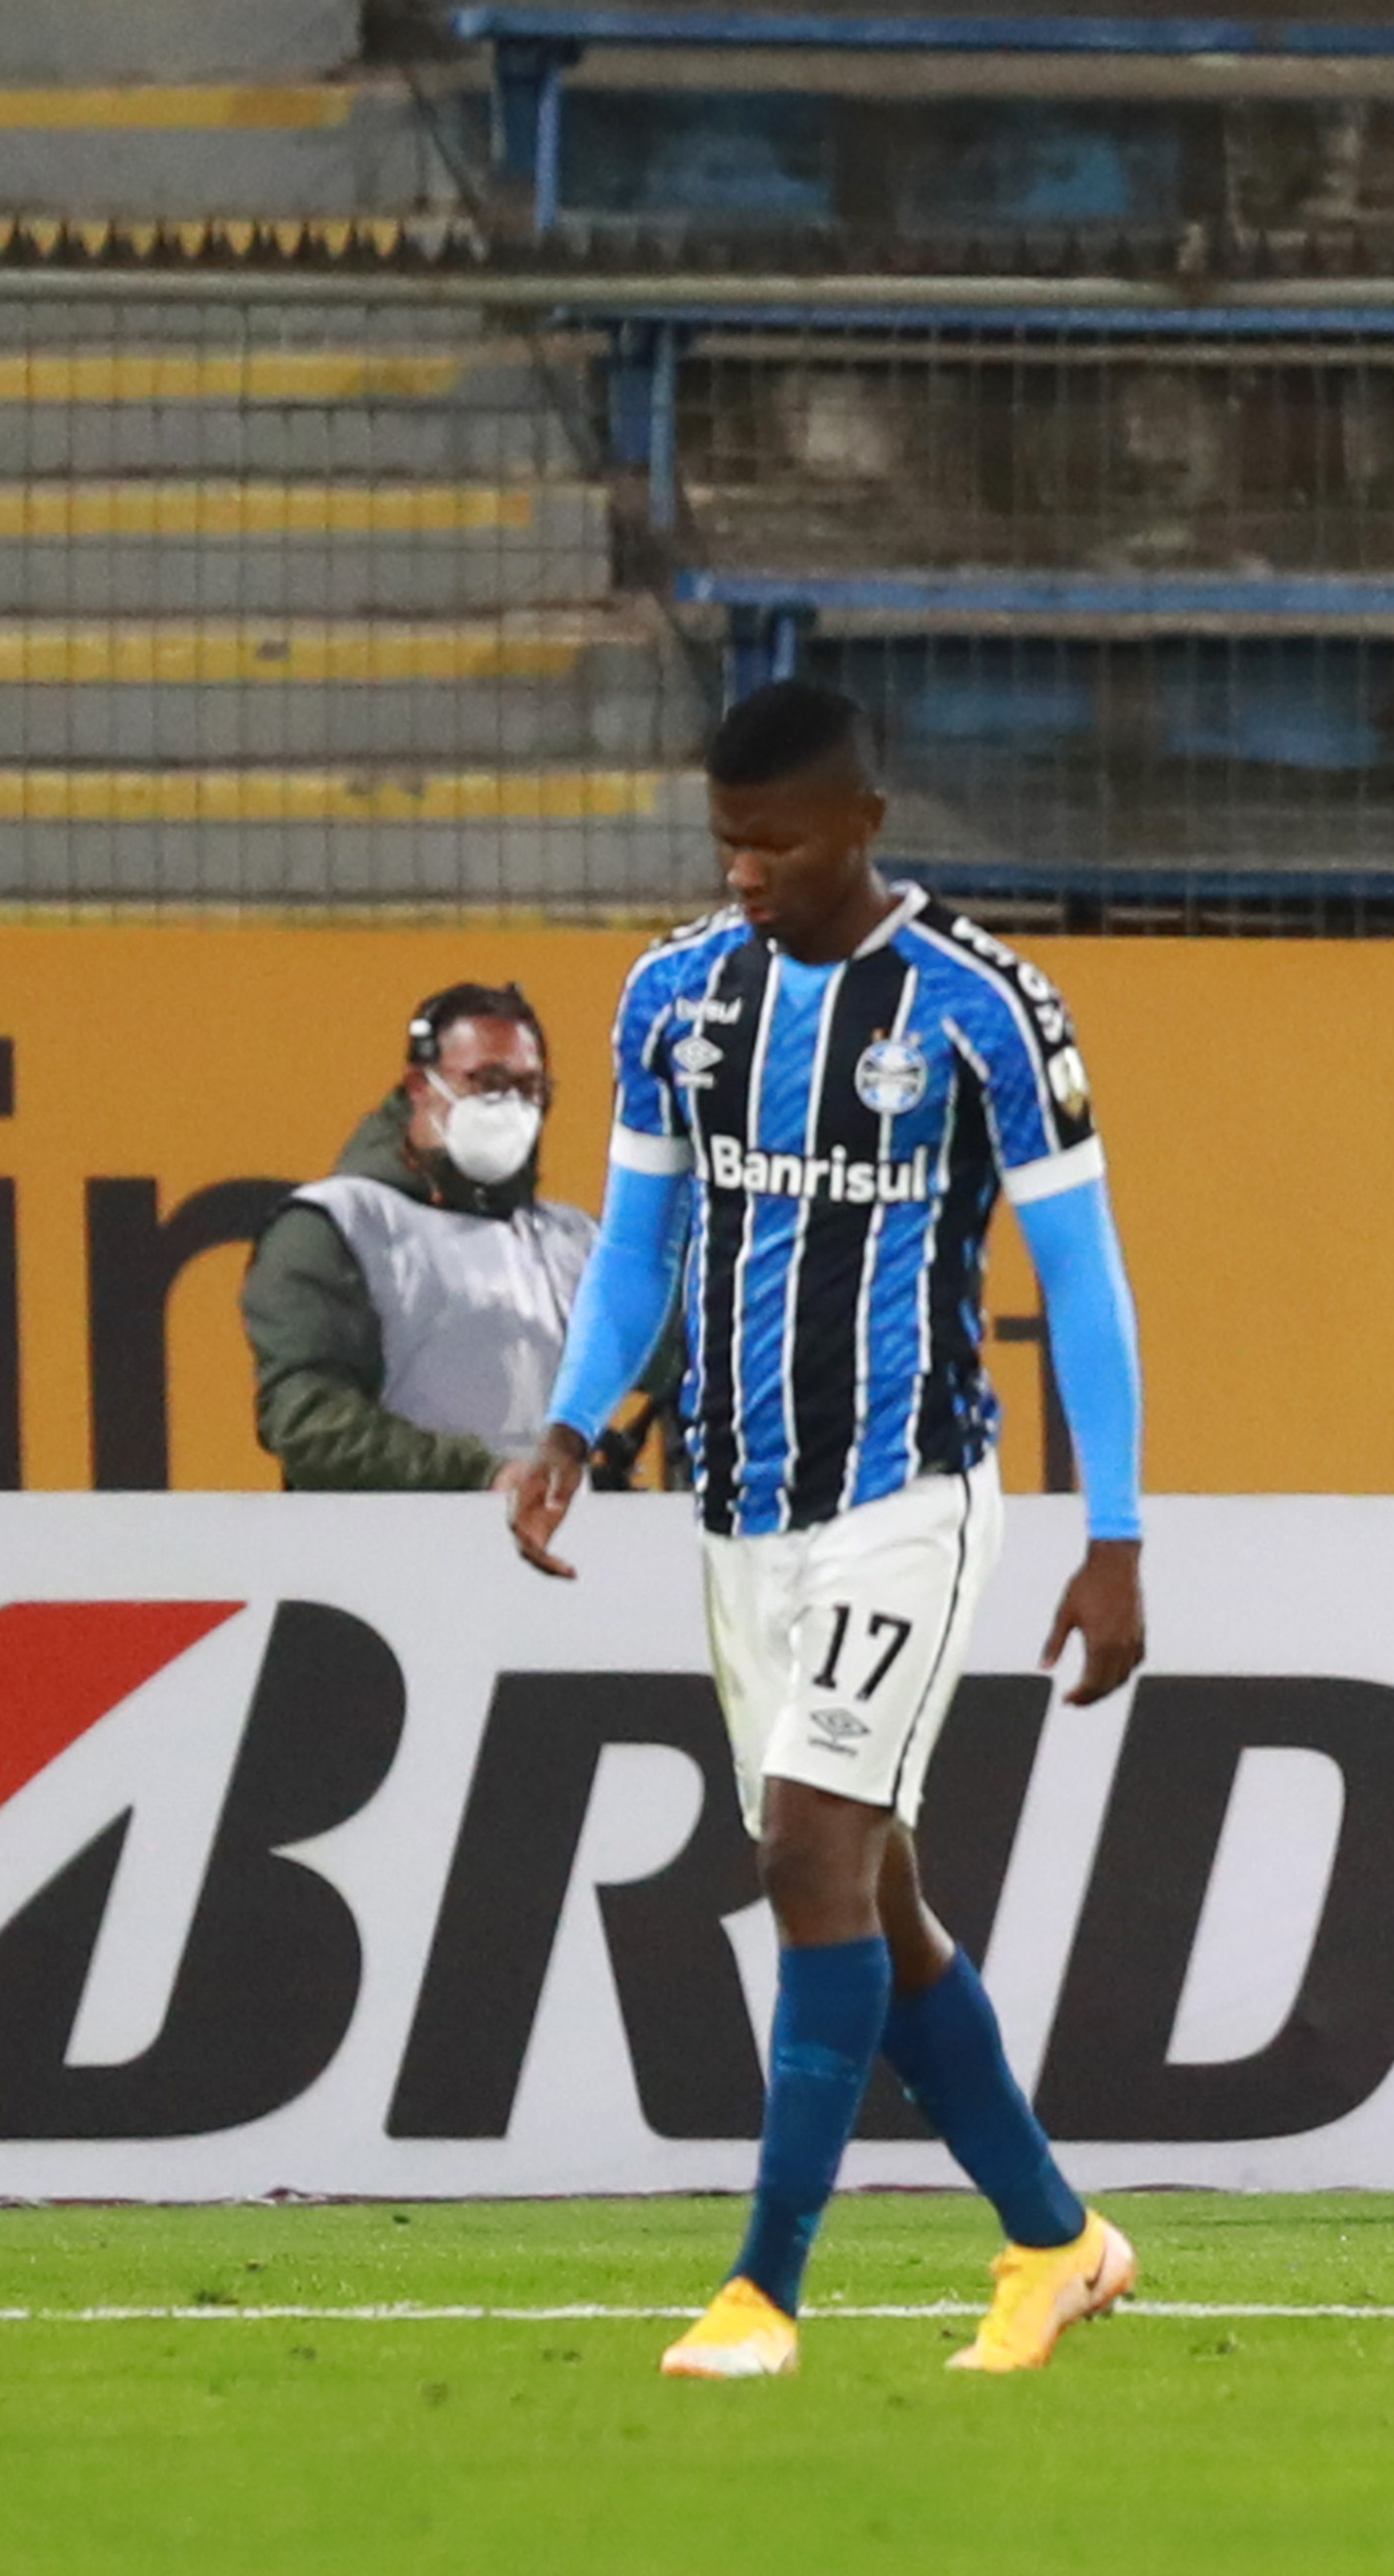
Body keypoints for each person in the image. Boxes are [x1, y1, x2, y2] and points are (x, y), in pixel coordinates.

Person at [503, 678, 1154, 2377]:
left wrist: (1117, 1535)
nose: (745, 873)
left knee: (804, 1855)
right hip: (740, 1512)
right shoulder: (676, 996)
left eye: (777, 844)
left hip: (908, 1495)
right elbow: (638, 1244)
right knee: (880, 1898)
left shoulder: (984, 1006)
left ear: (863, 824)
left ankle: (764, 2289)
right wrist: (571, 1421)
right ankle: (1057, 2239)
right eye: (727, 842)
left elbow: (1082, 1273)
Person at [243, 984, 590, 1490]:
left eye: (529, 1087)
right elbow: (308, 1420)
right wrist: (480, 1477)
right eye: (487, 1081)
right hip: (386, 1537)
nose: (511, 1105)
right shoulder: (336, 1226)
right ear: (420, 1086)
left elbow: (682, 1364)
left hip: (561, 1532)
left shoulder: (571, 1240)